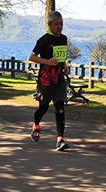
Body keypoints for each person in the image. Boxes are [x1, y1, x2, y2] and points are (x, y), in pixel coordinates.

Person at [29, 11, 70, 151]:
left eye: (61, 24)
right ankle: (36, 125)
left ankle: (60, 139)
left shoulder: (64, 39)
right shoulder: (44, 40)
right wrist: (47, 61)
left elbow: (62, 56)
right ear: (50, 25)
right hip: (45, 80)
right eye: (56, 24)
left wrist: (65, 65)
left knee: (60, 109)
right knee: (43, 107)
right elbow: (32, 57)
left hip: (59, 79)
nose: (60, 27)